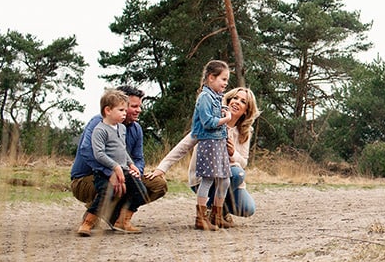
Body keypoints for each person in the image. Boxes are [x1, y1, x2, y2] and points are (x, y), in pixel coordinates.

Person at [146, 86, 260, 226]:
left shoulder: (245, 132)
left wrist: (233, 154)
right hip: (203, 178)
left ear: (246, 111)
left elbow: (243, 162)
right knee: (236, 173)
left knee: (248, 208)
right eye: (235, 98)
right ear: (228, 101)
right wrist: (162, 168)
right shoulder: (210, 122)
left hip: (229, 179)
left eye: (243, 101)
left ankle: (219, 211)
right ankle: (205, 213)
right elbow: (183, 146)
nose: (236, 102)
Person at [70, 84, 167, 226]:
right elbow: (87, 150)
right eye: (133, 106)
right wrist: (111, 172)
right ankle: (98, 211)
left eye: (139, 106)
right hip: (86, 179)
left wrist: (137, 172)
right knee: (112, 185)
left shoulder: (136, 129)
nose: (139, 110)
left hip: (123, 175)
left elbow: (138, 158)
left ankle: (120, 218)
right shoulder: (99, 122)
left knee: (159, 184)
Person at [76, 89, 149, 236]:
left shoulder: (122, 128)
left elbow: (123, 150)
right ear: (108, 110)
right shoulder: (99, 128)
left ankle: (122, 220)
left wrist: (132, 166)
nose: (125, 112)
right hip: (102, 172)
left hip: (123, 170)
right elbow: (97, 153)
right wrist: (113, 169)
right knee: (106, 193)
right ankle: (88, 223)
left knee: (141, 191)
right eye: (123, 109)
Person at [188, 60, 232, 231]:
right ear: (211, 78)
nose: (225, 83)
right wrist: (226, 119)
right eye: (223, 79)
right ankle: (200, 218)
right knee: (207, 179)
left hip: (219, 142)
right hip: (209, 143)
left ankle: (217, 214)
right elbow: (208, 122)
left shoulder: (217, 97)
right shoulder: (205, 97)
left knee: (225, 180)